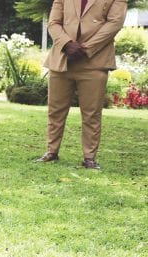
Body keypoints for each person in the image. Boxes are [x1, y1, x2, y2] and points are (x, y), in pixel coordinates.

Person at [37, 0, 127, 169]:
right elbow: (53, 22)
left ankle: (89, 158)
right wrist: (66, 44)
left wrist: (85, 48)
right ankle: (51, 152)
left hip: (95, 60)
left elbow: (114, 24)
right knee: (55, 110)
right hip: (62, 58)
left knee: (91, 113)